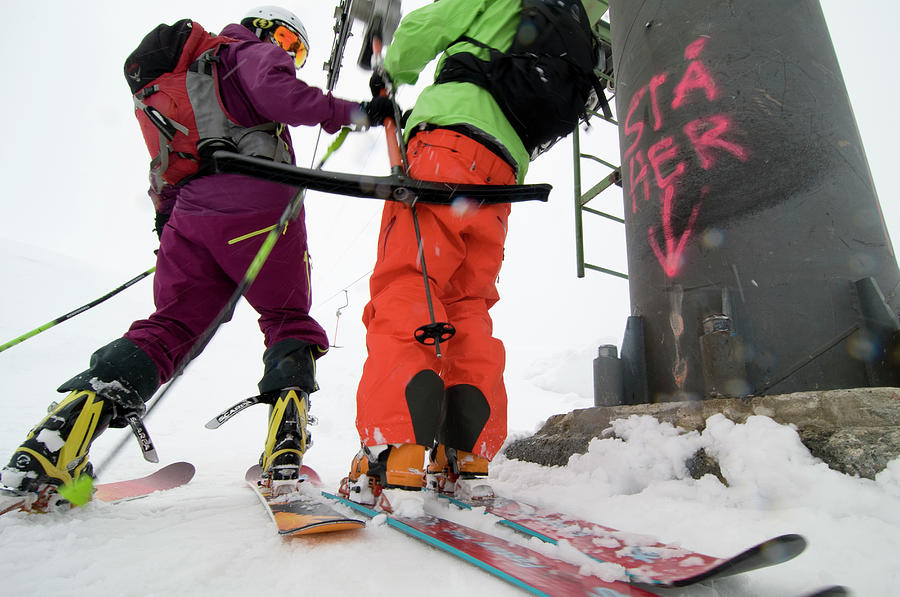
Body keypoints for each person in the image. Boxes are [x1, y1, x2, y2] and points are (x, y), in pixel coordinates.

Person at [0, 6, 395, 504]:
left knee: (170, 327)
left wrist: (170, 226)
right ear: (259, 28)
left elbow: (163, 166)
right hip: (259, 203)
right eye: (286, 40)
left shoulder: (176, 84)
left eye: (296, 51)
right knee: (287, 318)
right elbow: (281, 95)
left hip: (188, 216)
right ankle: (285, 448)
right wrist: (357, 113)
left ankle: (52, 446)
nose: (287, 53)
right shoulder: (244, 51)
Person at [343, 0, 606, 500]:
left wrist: (389, 73)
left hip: (446, 148)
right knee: (468, 302)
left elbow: (426, 27)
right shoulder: (576, 16)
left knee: (409, 281)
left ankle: (396, 445)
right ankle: (467, 452)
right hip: (503, 173)